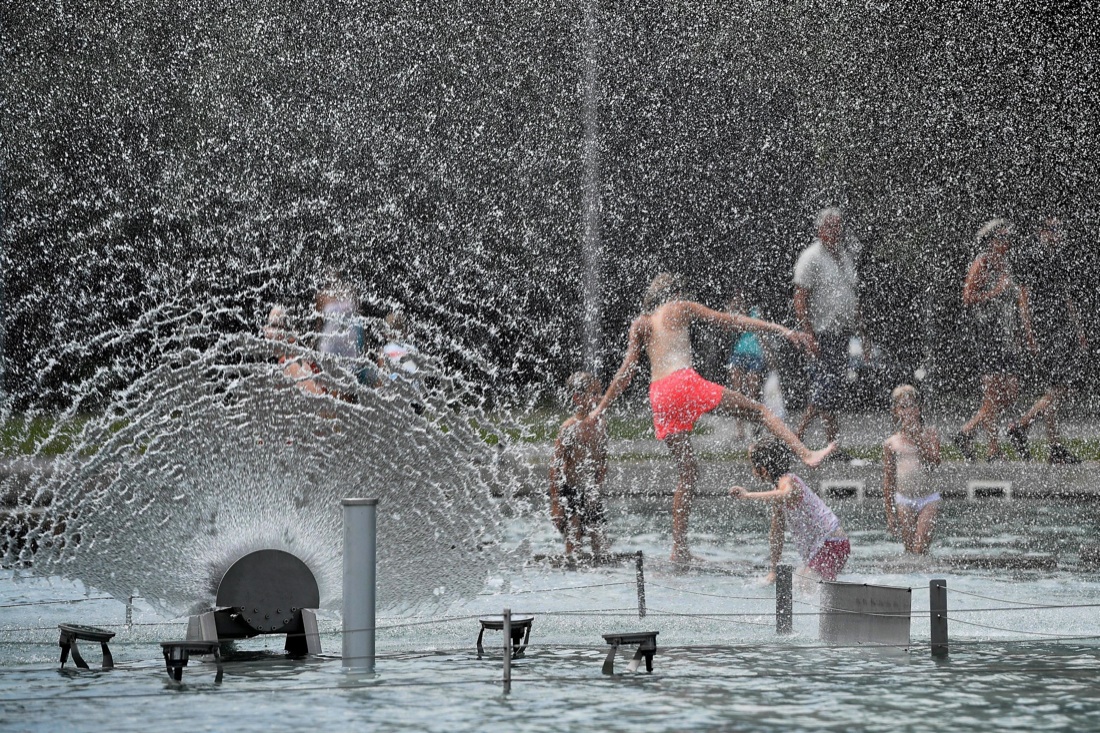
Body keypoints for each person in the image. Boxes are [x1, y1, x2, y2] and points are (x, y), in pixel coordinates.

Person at [592, 272, 835, 565]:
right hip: (684, 384)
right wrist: (779, 329)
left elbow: (625, 373)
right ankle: (806, 453)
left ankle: (679, 548)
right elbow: (732, 320)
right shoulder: (680, 307)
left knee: (687, 472)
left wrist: (599, 409)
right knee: (759, 411)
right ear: (675, 293)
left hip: (659, 395)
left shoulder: (641, 323)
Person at [1006, 217, 1088, 464]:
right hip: (1045, 329)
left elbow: (1066, 295)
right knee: (1061, 386)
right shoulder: (1032, 255)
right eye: (1053, 229)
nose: (1058, 234)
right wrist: (1029, 332)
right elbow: (1023, 296)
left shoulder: (1058, 257)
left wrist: (1078, 328)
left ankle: (1054, 447)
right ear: (1041, 231)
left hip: (1062, 327)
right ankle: (1021, 425)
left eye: (1059, 229)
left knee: (1056, 387)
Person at [792, 208, 870, 456]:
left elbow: (852, 300)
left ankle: (831, 446)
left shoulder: (845, 257)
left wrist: (864, 335)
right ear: (819, 230)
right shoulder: (811, 257)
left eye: (838, 227)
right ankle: (796, 441)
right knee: (824, 388)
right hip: (821, 332)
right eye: (830, 227)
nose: (835, 231)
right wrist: (808, 334)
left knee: (829, 390)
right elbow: (800, 298)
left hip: (841, 332)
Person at [953, 219, 1032, 461]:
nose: (1007, 243)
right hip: (986, 335)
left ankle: (966, 431)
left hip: (1005, 336)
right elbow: (967, 297)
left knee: (1009, 392)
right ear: (992, 241)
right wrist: (995, 291)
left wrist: (1022, 332)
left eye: (1009, 239)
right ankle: (993, 449)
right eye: (1002, 239)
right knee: (992, 393)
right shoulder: (983, 262)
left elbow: (1015, 301)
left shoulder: (1006, 265)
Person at [729, 438, 850, 583]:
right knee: (801, 585)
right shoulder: (777, 492)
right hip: (825, 547)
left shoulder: (788, 481)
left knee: (808, 587)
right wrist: (773, 570)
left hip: (831, 543)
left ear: (763, 469)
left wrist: (748, 495)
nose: (752, 470)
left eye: (753, 466)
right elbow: (777, 533)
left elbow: (786, 493)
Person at [548, 371, 609, 559]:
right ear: (577, 398)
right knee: (574, 536)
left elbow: (603, 459)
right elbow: (555, 466)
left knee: (599, 536)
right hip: (571, 491)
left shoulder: (601, 425)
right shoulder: (569, 427)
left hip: (590, 491)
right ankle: (572, 571)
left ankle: (602, 571)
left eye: (599, 392)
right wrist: (556, 503)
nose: (598, 397)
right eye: (593, 393)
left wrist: (598, 484)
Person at [882, 385, 941, 554]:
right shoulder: (892, 442)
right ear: (896, 412)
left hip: (928, 499)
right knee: (909, 551)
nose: (908, 411)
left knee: (920, 548)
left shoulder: (930, 434)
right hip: (904, 499)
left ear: (919, 409)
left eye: (912, 406)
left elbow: (934, 462)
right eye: (903, 407)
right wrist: (890, 513)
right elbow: (889, 479)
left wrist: (918, 439)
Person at [726, 291, 770, 440]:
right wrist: (733, 312)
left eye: (741, 300)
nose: (739, 303)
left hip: (755, 355)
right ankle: (739, 430)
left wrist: (768, 354)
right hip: (738, 355)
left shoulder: (755, 312)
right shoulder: (733, 316)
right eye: (736, 301)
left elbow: (763, 333)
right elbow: (728, 332)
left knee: (753, 393)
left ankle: (755, 426)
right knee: (737, 393)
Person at [263, 305, 323, 395]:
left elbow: (321, 405)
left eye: (273, 326)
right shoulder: (301, 360)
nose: (265, 329)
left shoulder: (292, 364)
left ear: (293, 334)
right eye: (267, 324)